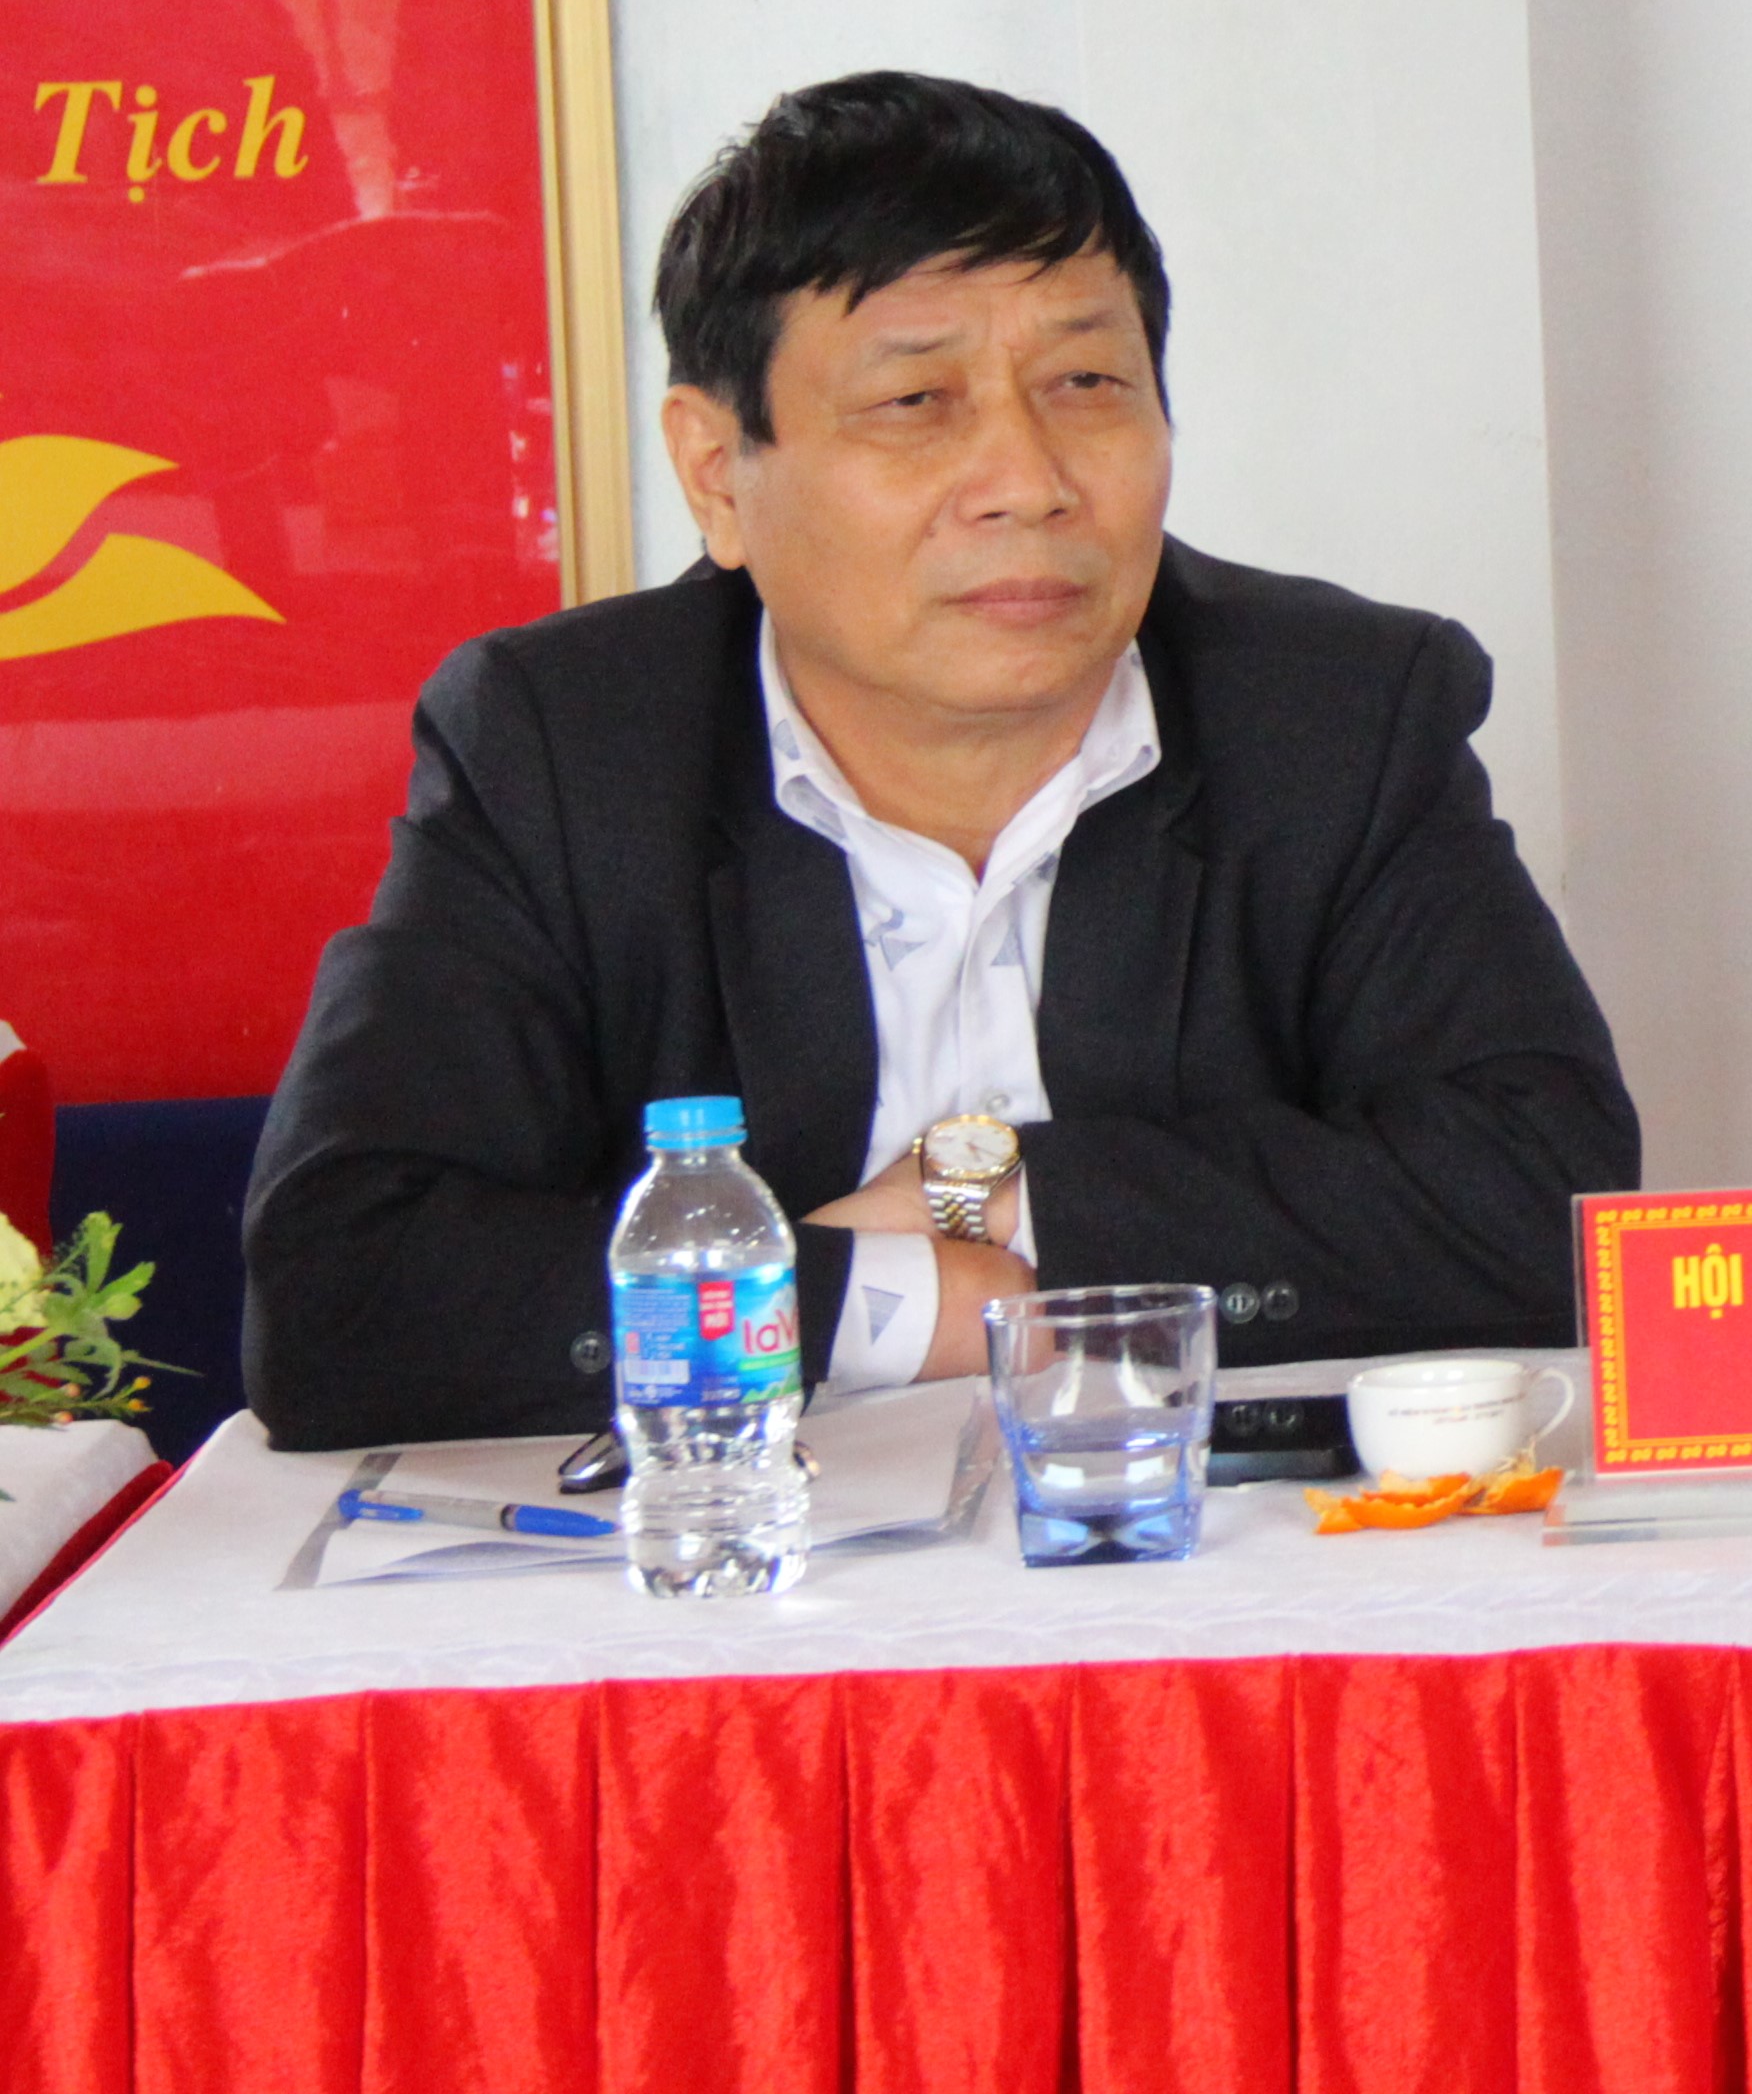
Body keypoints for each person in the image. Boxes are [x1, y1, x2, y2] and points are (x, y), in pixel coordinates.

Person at [243, 72, 1638, 1447]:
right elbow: (342, 1293)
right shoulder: (563, 748)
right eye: (916, 401)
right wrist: (891, 1300)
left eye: (1087, 382)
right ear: (718, 472)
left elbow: (1548, 1204)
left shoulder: (1335, 711)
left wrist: (998, 1192)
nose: (1028, 482)